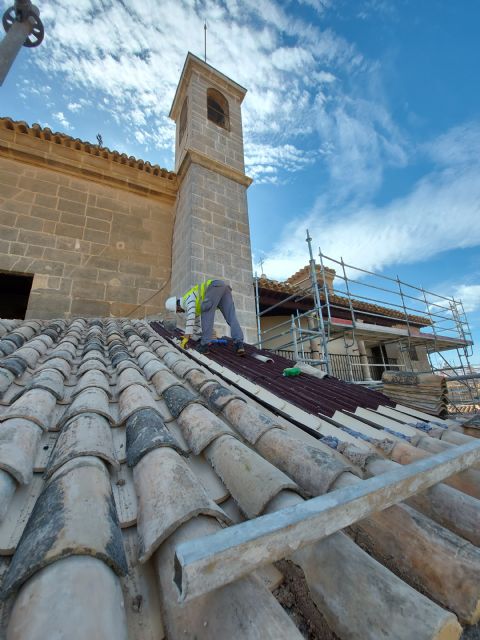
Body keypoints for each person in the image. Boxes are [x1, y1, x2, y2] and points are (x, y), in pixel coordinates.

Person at [165, 279, 246, 356]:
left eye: (177, 311)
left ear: (177, 306)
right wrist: (190, 335)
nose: (180, 312)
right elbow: (196, 323)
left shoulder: (187, 299)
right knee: (231, 317)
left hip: (214, 287)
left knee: (206, 310)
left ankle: (204, 345)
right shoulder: (193, 306)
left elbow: (191, 317)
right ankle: (239, 344)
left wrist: (186, 336)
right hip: (224, 289)